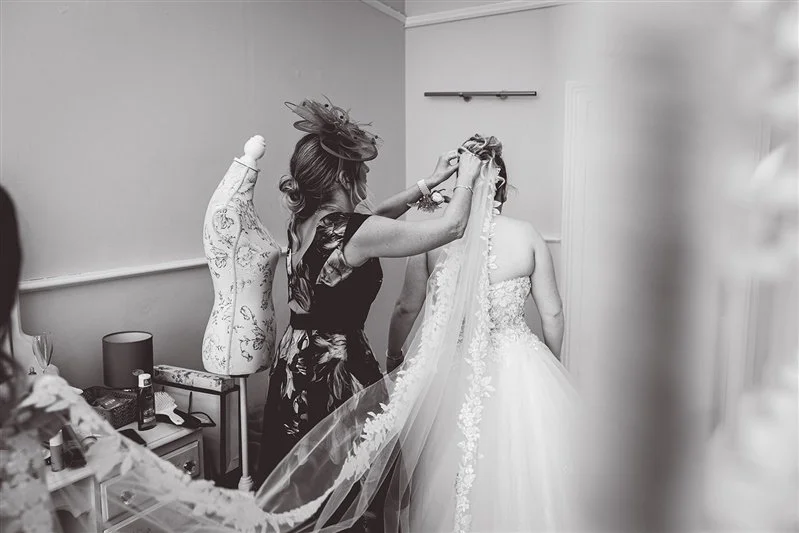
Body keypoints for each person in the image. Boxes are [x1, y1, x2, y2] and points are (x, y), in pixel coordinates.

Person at [254, 98, 484, 527]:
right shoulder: (357, 232)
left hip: (295, 362)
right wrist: (468, 178)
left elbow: (371, 220)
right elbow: (451, 227)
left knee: (303, 476)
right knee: (349, 480)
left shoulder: (305, 223)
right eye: (361, 170)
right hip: (336, 369)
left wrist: (429, 182)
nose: (365, 177)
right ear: (345, 175)